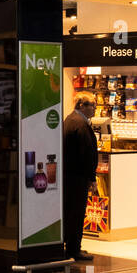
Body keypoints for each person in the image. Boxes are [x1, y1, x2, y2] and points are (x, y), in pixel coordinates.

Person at [62, 94, 99, 262]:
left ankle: (69, 245)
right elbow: (86, 154)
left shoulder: (70, 120)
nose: (94, 108)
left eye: (94, 104)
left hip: (69, 175)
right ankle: (73, 248)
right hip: (77, 177)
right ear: (80, 105)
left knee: (69, 212)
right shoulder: (80, 124)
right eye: (90, 104)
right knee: (76, 213)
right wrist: (91, 177)